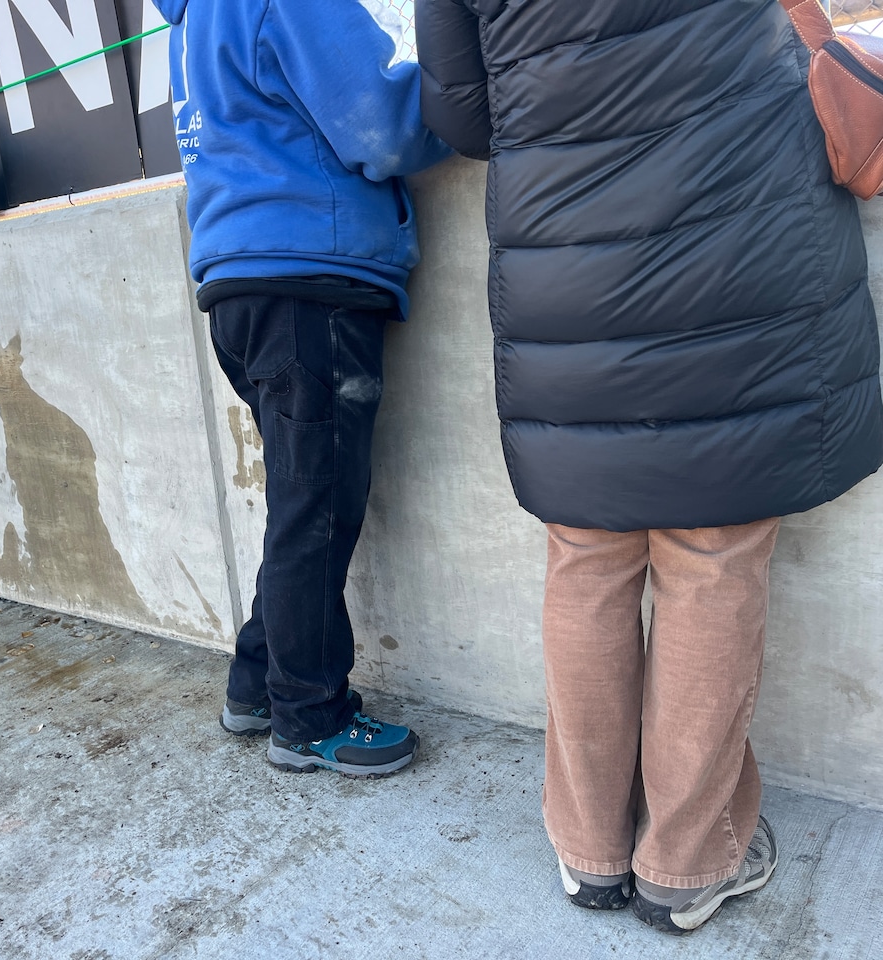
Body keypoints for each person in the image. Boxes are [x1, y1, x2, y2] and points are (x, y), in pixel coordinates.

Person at [417, 0, 883, 933]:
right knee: (713, 559)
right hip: (737, 243)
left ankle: (589, 852)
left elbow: (462, 115)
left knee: (586, 560)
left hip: (568, 275)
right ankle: (686, 863)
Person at [149, 0, 451, 777]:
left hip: (242, 284)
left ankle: (257, 683)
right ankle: (310, 717)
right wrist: (466, 97)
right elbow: (383, 125)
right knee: (315, 510)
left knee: (301, 501)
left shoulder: (191, 15)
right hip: (308, 279)